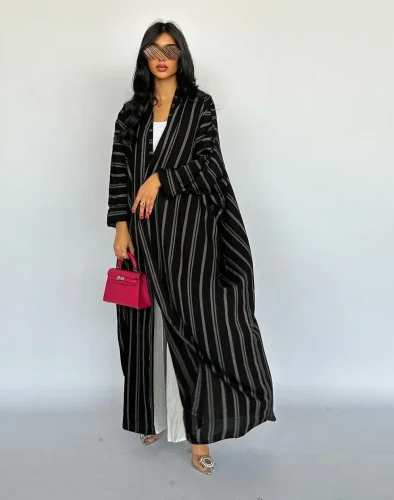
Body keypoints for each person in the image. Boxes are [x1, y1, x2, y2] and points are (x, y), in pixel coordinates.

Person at [106, 20, 275, 475]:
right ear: (144, 57)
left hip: (189, 234)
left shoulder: (199, 105)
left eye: (171, 50)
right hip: (143, 237)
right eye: (153, 50)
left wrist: (161, 179)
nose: (162, 58)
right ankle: (152, 417)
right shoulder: (131, 112)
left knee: (195, 327)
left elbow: (209, 165)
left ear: (182, 56)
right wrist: (120, 227)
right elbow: (119, 171)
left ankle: (200, 434)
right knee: (145, 326)